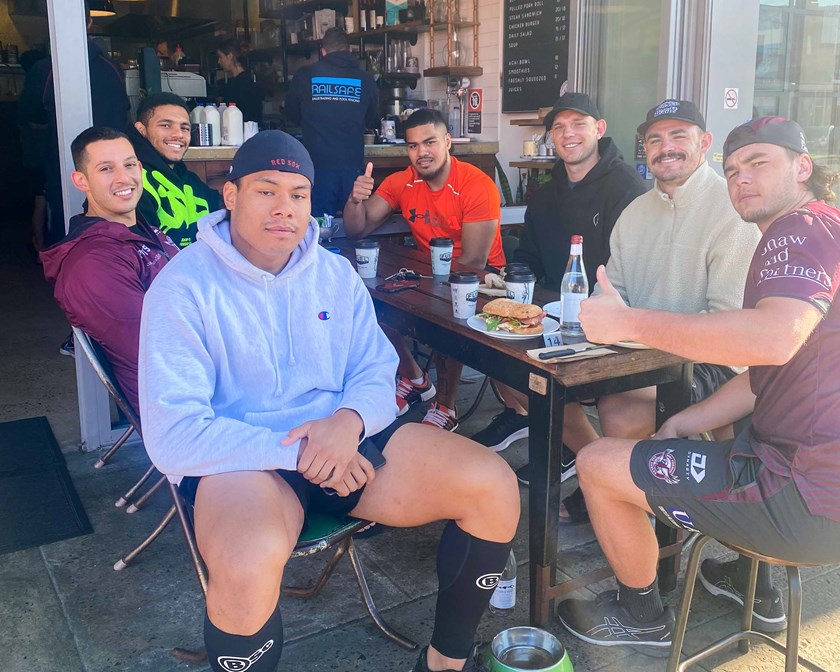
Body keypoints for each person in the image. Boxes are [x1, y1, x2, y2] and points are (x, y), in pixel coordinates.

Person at [138, 130, 519, 672]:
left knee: (494, 485)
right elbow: (175, 435)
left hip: (349, 445)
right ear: (231, 195)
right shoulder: (182, 288)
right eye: (266, 190)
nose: (284, 209)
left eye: (297, 194)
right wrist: (307, 453)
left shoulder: (334, 273)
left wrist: (347, 422)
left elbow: (374, 368)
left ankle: (445, 664)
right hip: (245, 460)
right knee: (245, 566)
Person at [554, 116, 840, 655]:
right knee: (647, 432)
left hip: (801, 495)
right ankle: (746, 580)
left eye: (759, 163)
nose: (742, 179)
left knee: (597, 463)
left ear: (803, 168)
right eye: (733, 170)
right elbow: (768, 374)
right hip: (803, 477)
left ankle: (641, 615)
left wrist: (629, 323)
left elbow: (772, 341)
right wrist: (687, 421)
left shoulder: (798, 230)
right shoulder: (823, 227)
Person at [536, 100, 761, 525]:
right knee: (542, 385)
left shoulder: (731, 212)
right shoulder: (636, 212)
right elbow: (614, 292)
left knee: (619, 412)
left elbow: (727, 330)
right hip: (635, 352)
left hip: (707, 363)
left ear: (705, 143)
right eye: (655, 138)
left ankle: (639, 518)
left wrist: (632, 330)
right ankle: (610, 483)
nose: (665, 147)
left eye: (679, 136)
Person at [470, 92, 646, 463]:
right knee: (489, 345)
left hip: (609, 321)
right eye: (559, 127)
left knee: (540, 374)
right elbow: (528, 257)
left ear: (599, 129)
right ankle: (576, 449)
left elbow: (631, 272)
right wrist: (507, 282)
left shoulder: (627, 188)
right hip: (548, 314)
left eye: (578, 124)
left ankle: (590, 462)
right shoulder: (545, 194)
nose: (568, 134)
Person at [343, 108, 506, 431]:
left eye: (429, 142)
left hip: (483, 277)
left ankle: (446, 406)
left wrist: (426, 289)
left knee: (444, 316)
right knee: (369, 302)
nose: (422, 153)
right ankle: (415, 378)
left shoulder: (476, 184)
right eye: (413, 146)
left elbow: (472, 261)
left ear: (448, 142)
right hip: (426, 272)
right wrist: (355, 200)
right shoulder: (402, 181)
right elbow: (356, 229)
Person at [41, 126, 179, 414]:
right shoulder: (92, 263)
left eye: (129, 165)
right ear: (82, 180)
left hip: (210, 377)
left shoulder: (140, 228)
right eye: (106, 169)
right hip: (182, 408)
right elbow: (159, 352)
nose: (123, 178)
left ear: (140, 168)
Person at [30, 0, 130, 246]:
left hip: (62, 163)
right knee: (115, 215)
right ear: (90, 22)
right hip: (111, 162)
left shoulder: (45, 68)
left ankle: (67, 272)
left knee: (65, 224)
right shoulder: (111, 67)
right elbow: (125, 111)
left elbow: (31, 119)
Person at [284, 27, 379, 217]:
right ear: (349, 50)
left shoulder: (305, 75)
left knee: (318, 228)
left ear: (323, 51)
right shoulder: (366, 80)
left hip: (316, 167)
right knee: (353, 226)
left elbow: (291, 114)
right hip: (352, 167)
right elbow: (372, 119)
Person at [127, 92, 223, 249]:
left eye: (184, 128)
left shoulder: (191, 180)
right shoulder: (132, 182)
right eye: (166, 125)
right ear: (141, 129)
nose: (178, 134)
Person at [216, 38, 263, 124]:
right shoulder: (249, 81)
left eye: (220, 57)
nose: (219, 61)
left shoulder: (234, 86)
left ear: (230, 56)